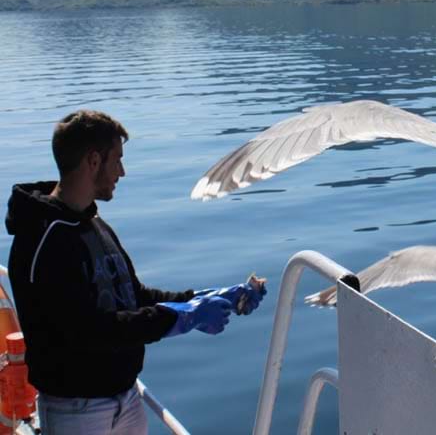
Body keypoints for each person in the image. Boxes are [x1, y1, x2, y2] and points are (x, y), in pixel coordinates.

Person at [4, 110, 266, 434]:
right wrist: (185, 318)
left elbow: (132, 295)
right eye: (118, 160)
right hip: (77, 410)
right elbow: (91, 330)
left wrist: (205, 298)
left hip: (125, 400)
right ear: (94, 160)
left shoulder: (93, 225)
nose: (123, 172)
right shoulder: (43, 241)